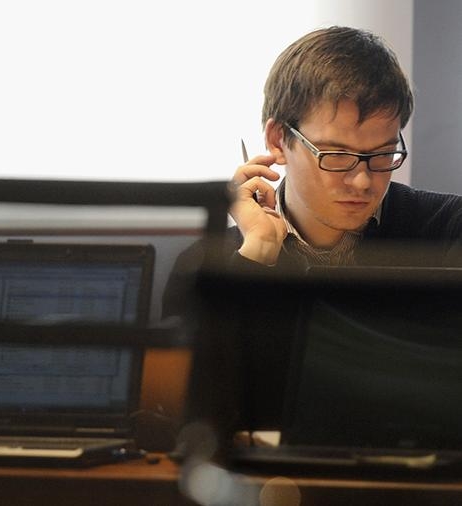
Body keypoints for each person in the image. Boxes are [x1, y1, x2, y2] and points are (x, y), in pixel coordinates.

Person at [162, 25, 462, 452]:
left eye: (382, 155)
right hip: (269, 480)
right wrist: (259, 254)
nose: (363, 180)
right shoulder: (211, 264)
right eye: (336, 155)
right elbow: (193, 418)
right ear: (277, 140)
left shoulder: (447, 230)